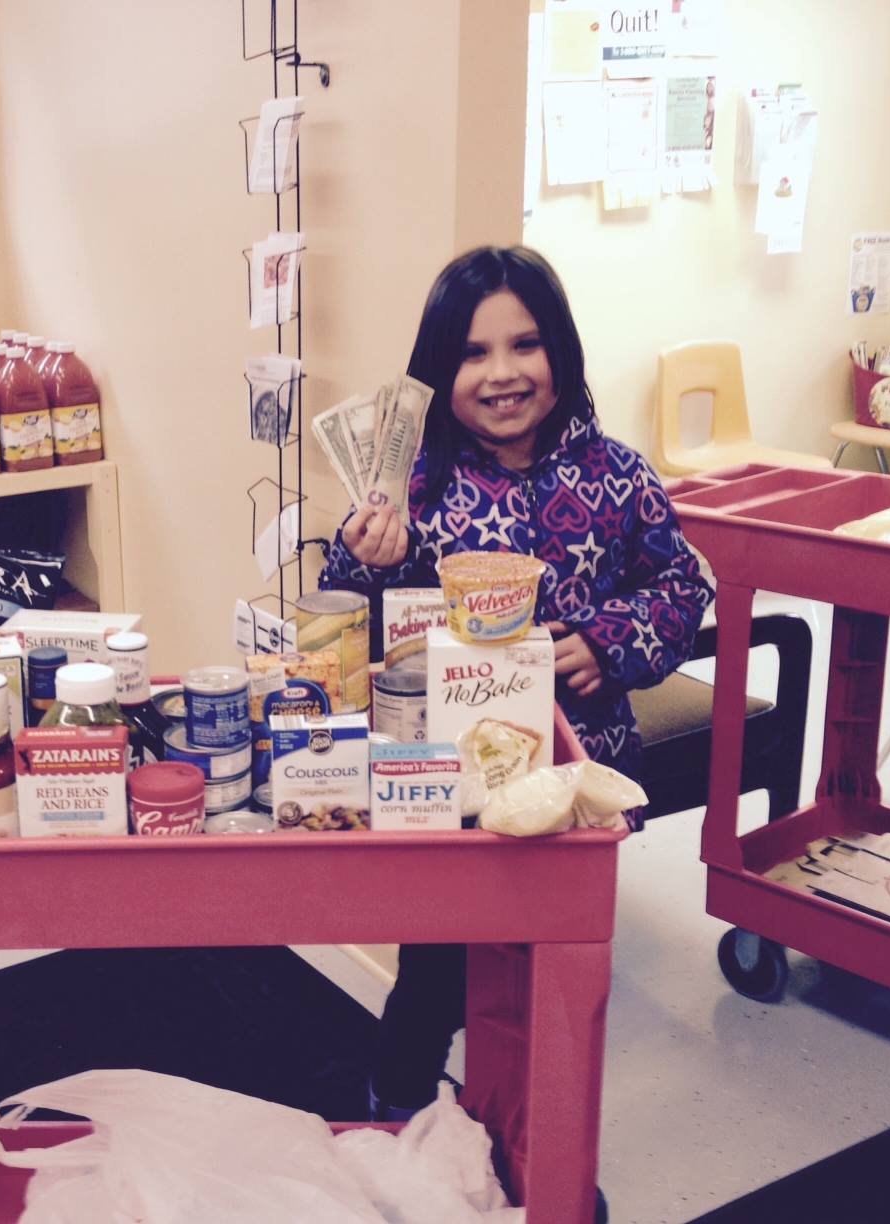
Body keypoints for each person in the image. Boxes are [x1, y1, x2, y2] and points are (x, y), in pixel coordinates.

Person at [318, 246, 713, 1120]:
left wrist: (610, 641)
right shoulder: (411, 486)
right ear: (438, 369)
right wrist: (361, 555)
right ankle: (396, 1114)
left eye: (524, 345)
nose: (502, 374)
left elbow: (683, 584)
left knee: (557, 983)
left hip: (573, 781)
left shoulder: (620, 477)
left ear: (560, 352)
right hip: (444, 786)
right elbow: (352, 626)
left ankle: (544, 1150)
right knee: (433, 977)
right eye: (472, 352)